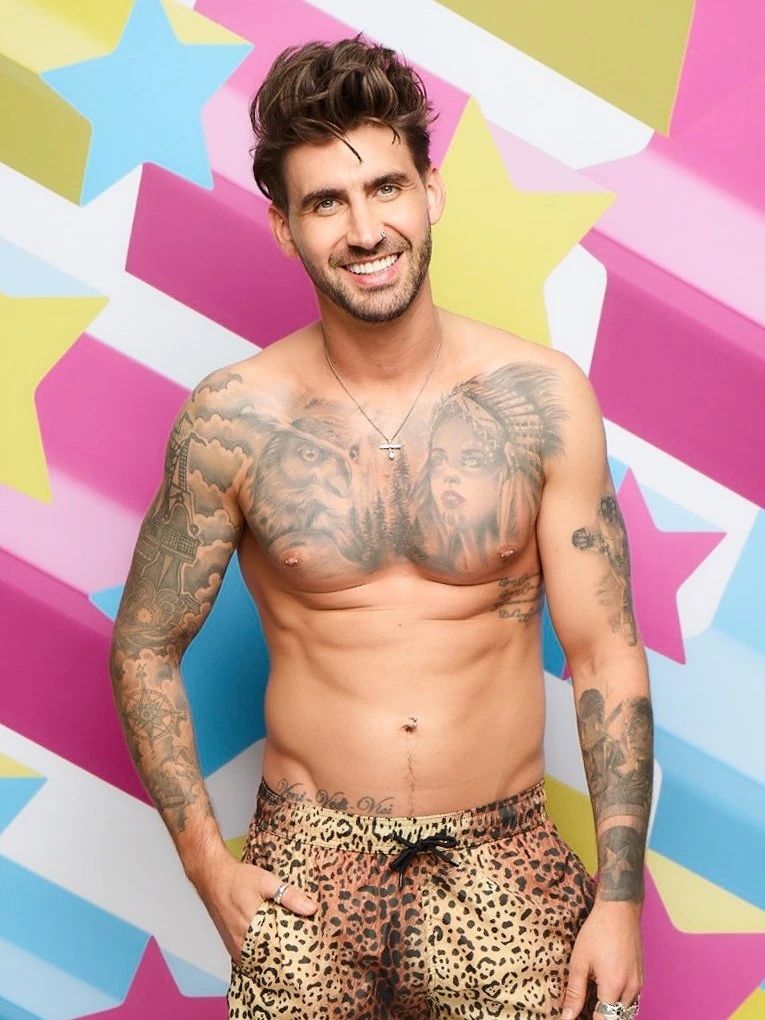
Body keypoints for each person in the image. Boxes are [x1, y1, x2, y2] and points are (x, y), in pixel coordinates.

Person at [109, 36, 652, 1020]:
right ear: (285, 228)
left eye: (386, 188)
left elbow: (604, 651)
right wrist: (207, 866)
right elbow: (144, 646)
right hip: (308, 873)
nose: (366, 230)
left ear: (430, 192)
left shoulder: (541, 399)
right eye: (326, 202)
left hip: (505, 860)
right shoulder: (236, 419)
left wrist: (619, 901)